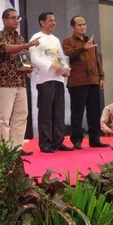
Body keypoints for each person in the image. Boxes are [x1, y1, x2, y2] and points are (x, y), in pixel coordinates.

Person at [0, 8, 39, 156]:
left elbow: (23, 58)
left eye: (17, 18)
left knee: (21, 115)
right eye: (12, 18)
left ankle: (17, 147)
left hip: (20, 81)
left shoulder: (19, 38)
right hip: (6, 81)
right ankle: (4, 149)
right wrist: (27, 45)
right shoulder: (0, 36)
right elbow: (7, 49)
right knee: (4, 118)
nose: (16, 21)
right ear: (4, 20)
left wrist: (28, 67)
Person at [30, 12, 72, 153]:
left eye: (54, 20)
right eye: (50, 20)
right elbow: (34, 59)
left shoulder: (55, 39)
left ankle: (58, 142)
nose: (54, 23)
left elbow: (61, 57)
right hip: (45, 79)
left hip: (58, 79)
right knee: (46, 113)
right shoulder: (36, 38)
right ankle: (45, 143)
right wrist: (51, 67)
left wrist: (65, 69)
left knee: (58, 113)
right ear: (42, 22)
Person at [62, 16, 107, 149]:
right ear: (72, 27)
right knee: (77, 113)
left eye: (84, 24)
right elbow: (68, 54)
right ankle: (76, 140)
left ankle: (95, 139)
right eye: (79, 25)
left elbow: (97, 60)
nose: (83, 26)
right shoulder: (68, 41)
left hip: (93, 80)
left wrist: (102, 77)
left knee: (94, 112)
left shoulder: (90, 41)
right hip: (77, 82)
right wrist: (83, 48)